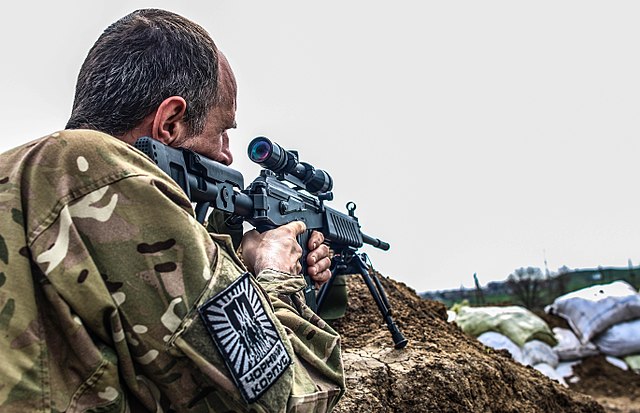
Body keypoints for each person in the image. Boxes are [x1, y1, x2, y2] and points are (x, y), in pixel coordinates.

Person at [0, 8, 344, 413]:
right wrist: (274, 274)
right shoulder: (107, 173)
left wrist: (235, 262)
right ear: (170, 122)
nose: (228, 155)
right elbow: (287, 398)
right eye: (223, 131)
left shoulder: (21, 172)